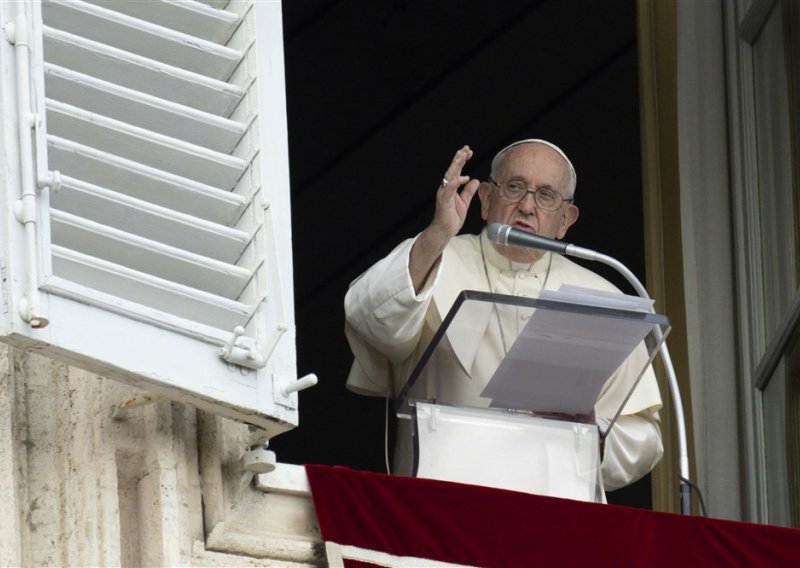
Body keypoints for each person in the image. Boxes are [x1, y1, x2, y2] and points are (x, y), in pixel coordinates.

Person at [343, 139, 664, 492]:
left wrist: (593, 432)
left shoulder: (601, 296)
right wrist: (437, 234)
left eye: (546, 195)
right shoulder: (434, 258)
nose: (527, 206)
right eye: (514, 187)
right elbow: (370, 319)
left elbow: (643, 437)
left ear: (566, 220)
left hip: (557, 513)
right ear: (485, 199)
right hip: (441, 502)